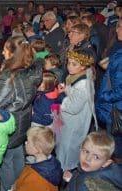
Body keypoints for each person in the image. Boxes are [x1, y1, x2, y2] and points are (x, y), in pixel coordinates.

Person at [0, 36, 43, 191]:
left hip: (9, 124)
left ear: (13, 53)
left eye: (5, 49)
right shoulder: (32, 69)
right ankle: (22, 184)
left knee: (6, 160)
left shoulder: (10, 77)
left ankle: (8, 188)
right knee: (18, 153)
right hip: (23, 120)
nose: (2, 52)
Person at [56, 50, 97, 172]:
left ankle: (64, 172)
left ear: (83, 66)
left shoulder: (83, 83)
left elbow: (73, 107)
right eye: (69, 63)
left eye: (74, 64)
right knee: (62, 146)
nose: (69, 66)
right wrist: (65, 90)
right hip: (68, 121)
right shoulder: (76, 76)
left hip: (73, 123)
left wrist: (61, 97)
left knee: (67, 149)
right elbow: (73, 93)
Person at [96, 18, 122, 162]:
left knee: (114, 148)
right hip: (116, 106)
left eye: (119, 27)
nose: (117, 30)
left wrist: (104, 96)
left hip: (116, 109)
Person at [12, 126, 62, 191]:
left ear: (37, 149)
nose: (25, 142)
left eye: (28, 141)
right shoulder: (53, 163)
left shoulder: (35, 179)